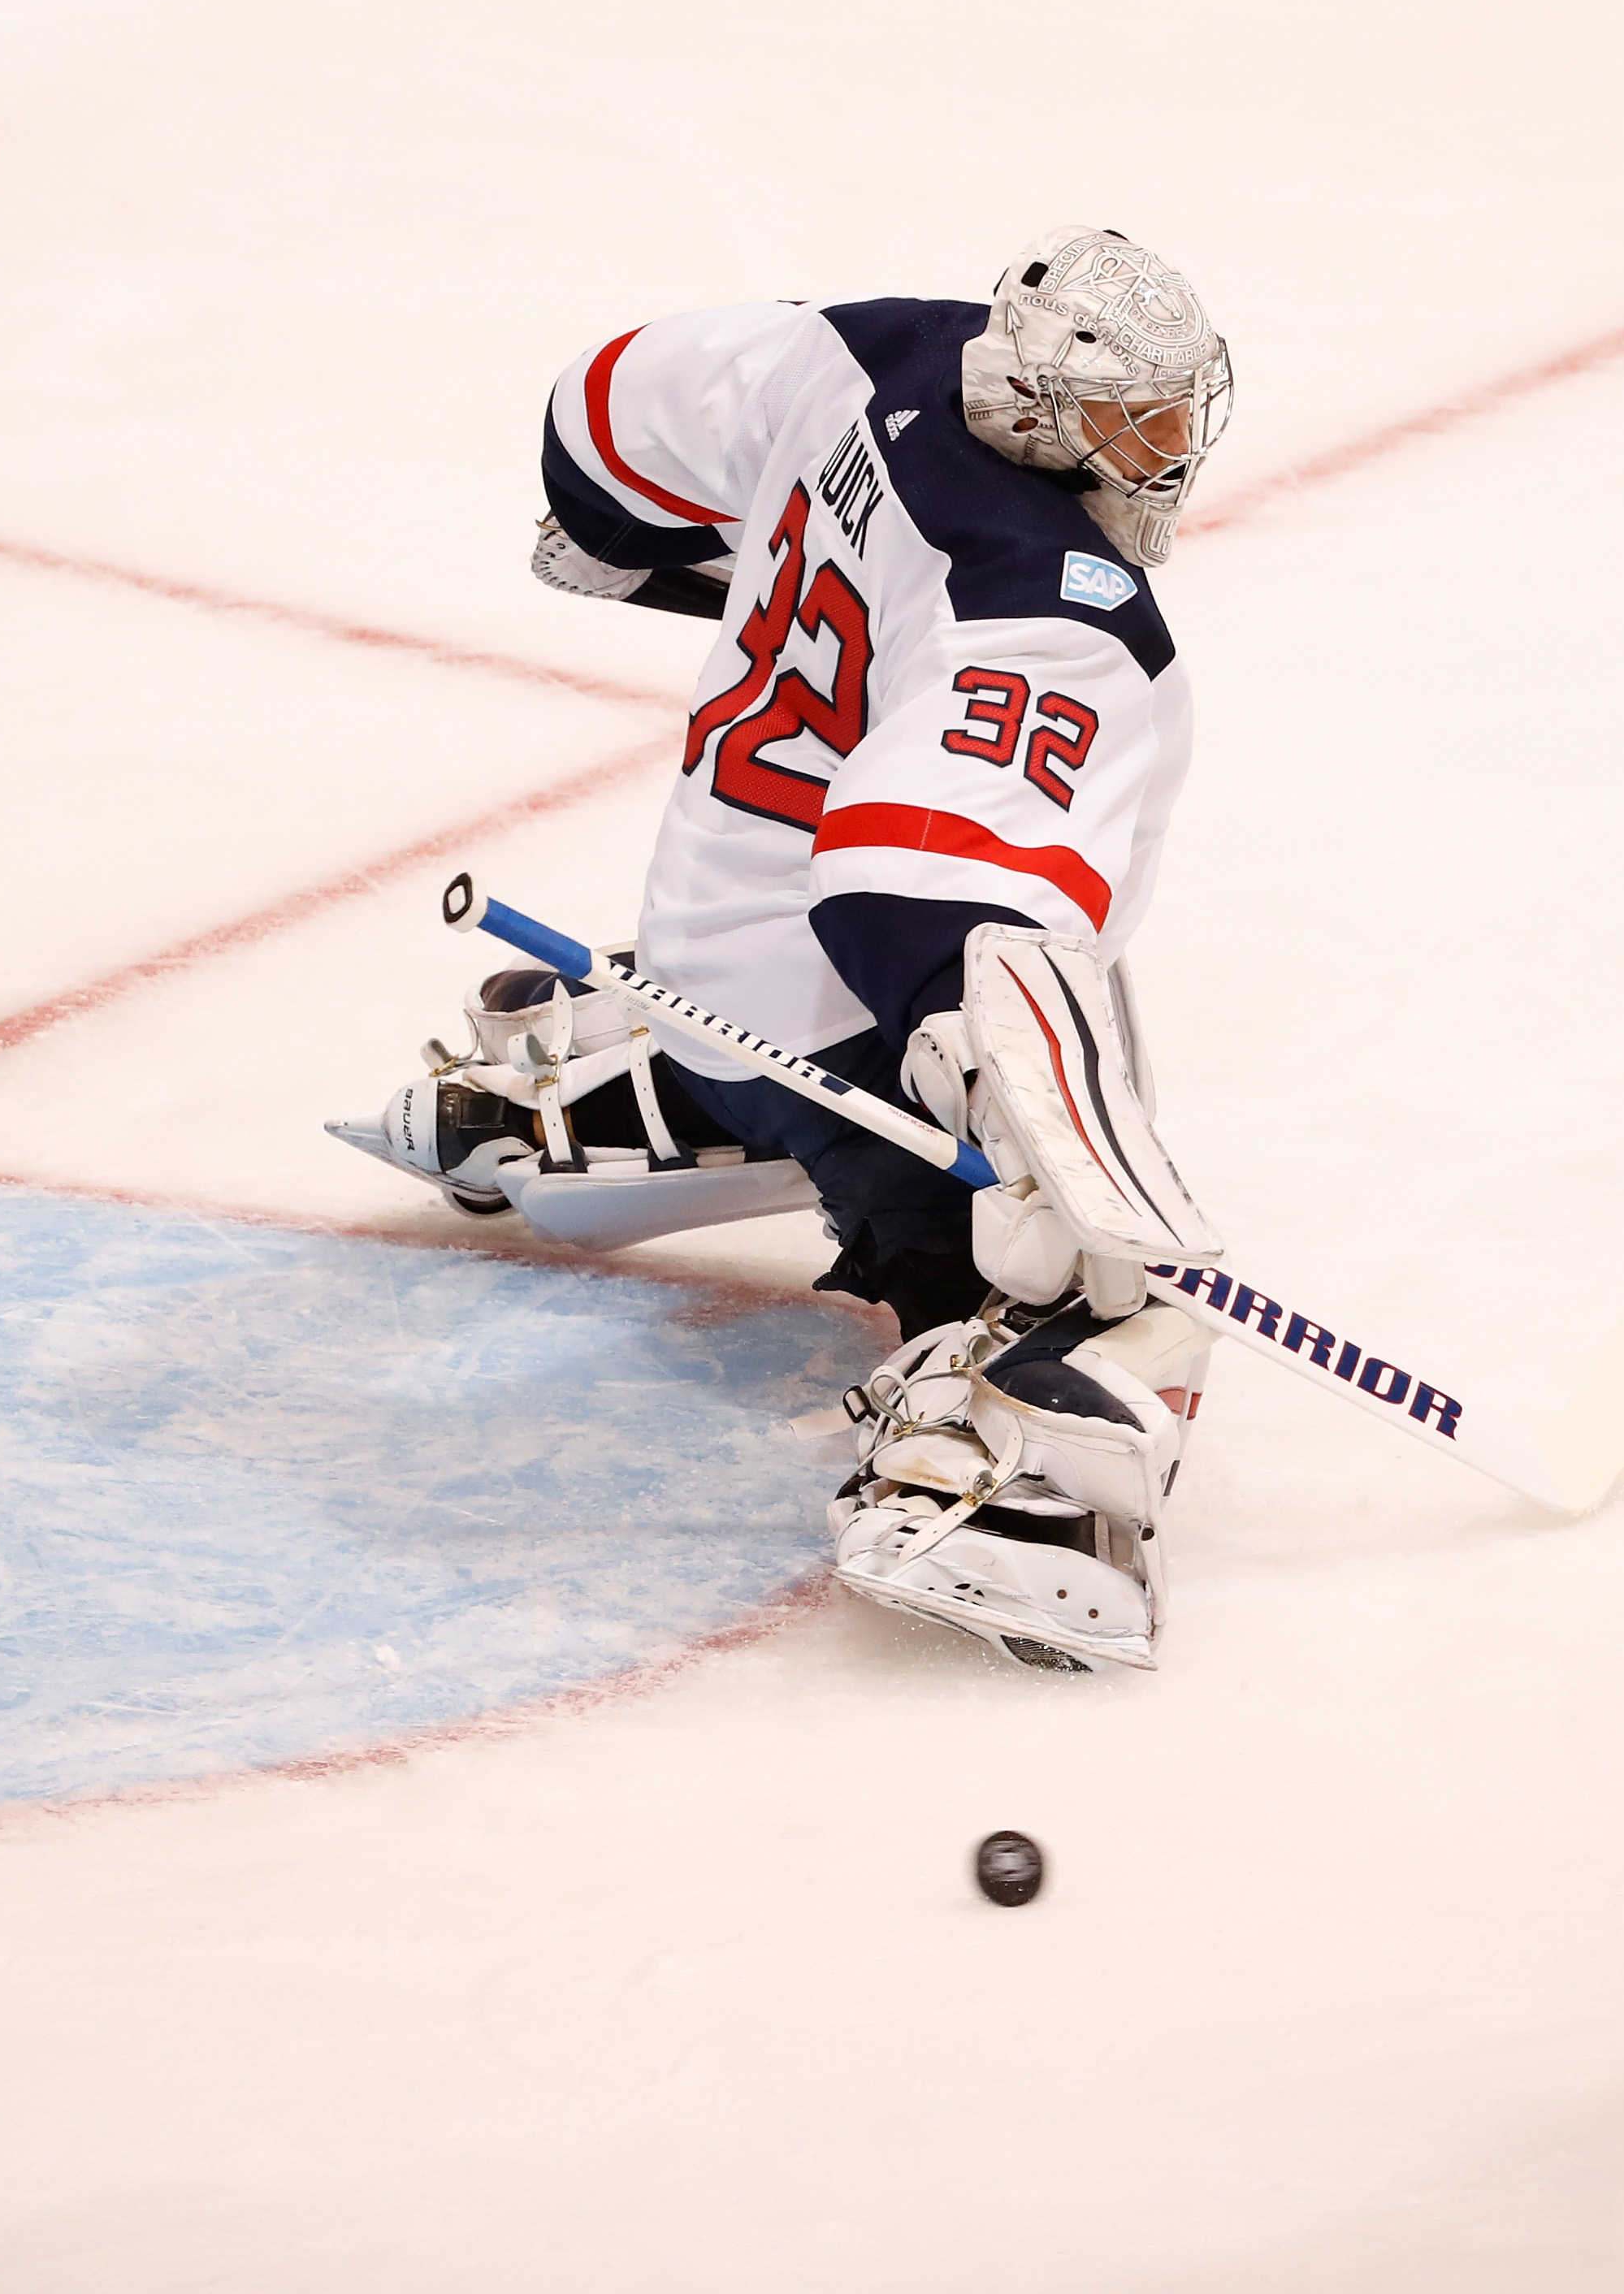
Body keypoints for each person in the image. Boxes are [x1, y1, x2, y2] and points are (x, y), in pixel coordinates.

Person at [332, 227, 1237, 1676]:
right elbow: (916, 909)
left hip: (694, 968)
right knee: (1075, 1230)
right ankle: (1005, 1476)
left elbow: (606, 417)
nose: (1167, 453)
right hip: (833, 1048)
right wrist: (1060, 1161)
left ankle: (642, 1096)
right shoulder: (1057, 609)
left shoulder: (869, 353)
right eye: (1135, 420)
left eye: (1180, 415)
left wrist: (641, 547)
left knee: (848, 976)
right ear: (1050, 412)